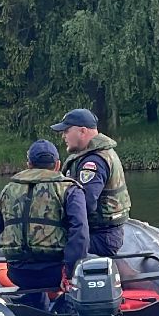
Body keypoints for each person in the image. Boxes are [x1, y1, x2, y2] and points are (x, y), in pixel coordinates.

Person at [0, 140, 88, 308]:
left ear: (29, 164)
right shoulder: (70, 189)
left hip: (17, 272)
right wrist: (70, 271)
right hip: (54, 273)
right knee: (99, 261)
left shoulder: (8, 189)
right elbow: (80, 233)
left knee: (33, 286)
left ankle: (36, 308)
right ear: (58, 164)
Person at [50, 107, 130, 258]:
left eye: (66, 131)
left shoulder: (93, 162)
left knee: (46, 246)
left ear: (82, 131)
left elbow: (85, 204)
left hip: (102, 237)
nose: (63, 136)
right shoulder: (94, 156)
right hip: (101, 233)